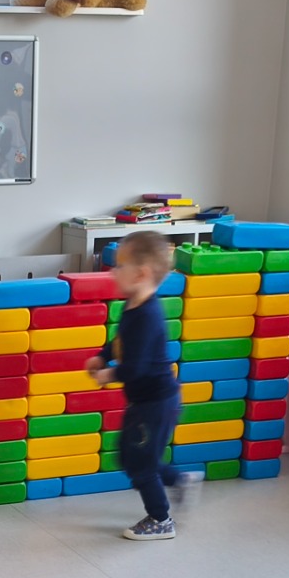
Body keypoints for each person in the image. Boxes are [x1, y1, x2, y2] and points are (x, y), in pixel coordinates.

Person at [88, 230, 204, 542]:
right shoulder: (132, 306)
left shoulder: (148, 315)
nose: (113, 271)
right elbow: (122, 342)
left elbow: (135, 367)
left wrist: (107, 375)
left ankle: (161, 519)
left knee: (141, 465)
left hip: (156, 404)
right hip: (145, 402)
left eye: (119, 265)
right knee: (128, 456)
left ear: (141, 274)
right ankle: (179, 480)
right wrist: (102, 356)